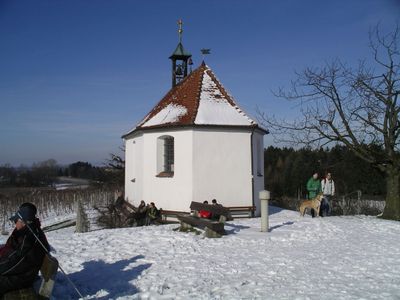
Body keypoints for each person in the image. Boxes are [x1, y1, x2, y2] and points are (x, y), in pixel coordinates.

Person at [0, 203, 50, 295]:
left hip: (22, 277)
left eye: (16, 221)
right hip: (21, 272)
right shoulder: (29, 231)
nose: (15, 224)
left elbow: (15, 262)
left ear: (23, 222)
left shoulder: (28, 239)